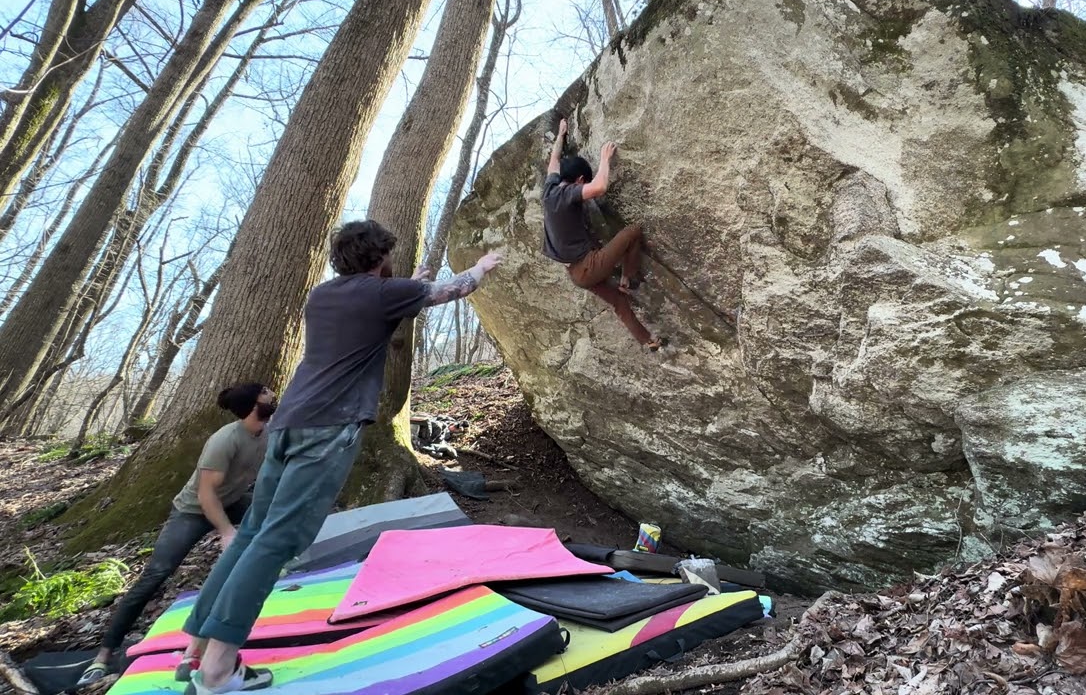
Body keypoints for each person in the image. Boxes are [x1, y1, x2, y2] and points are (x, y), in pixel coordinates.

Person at [179, 220, 503, 694]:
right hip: (328, 429)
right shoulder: (382, 295)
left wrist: (415, 278)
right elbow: (450, 289)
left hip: (288, 423)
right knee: (277, 543)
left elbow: (404, 291)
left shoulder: (324, 295)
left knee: (252, 533)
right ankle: (218, 668)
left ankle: (195, 645)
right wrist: (482, 266)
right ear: (379, 259)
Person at [75, 383, 276, 687]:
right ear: (252, 406)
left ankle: (197, 649)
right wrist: (225, 532)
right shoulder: (224, 440)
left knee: (263, 536)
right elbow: (205, 494)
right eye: (266, 393)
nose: (273, 395)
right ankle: (102, 657)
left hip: (234, 501)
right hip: (193, 510)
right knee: (156, 574)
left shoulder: (266, 431)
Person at [542, 118, 665, 352]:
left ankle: (648, 341)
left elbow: (554, 160)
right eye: (583, 185)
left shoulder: (549, 190)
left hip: (576, 274)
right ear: (579, 181)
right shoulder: (567, 194)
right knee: (633, 232)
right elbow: (599, 187)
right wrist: (605, 160)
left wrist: (561, 135)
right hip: (589, 265)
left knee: (619, 303)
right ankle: (628, 280)